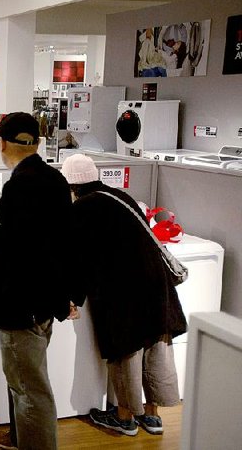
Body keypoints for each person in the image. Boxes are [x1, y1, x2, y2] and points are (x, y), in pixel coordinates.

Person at [61, 154, 187, 437]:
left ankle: (125, 418)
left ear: (70, 185)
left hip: (122, 289)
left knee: (126, 351)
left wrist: (72, 298)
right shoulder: (122, 197)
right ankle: (153, 417)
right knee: (157, 344)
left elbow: (80, 259)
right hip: (157, 282)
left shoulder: (82, 207)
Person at [0, 112, 74, 450]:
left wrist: (14, 308)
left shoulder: (20, 187)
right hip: (43, 304)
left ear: (3, 143)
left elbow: (21, 254)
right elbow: (65, 244)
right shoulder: (54, 179)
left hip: (21, 308)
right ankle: (19, 438)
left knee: (30, 390)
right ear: (37, 143)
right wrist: (64, 297)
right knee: (26, 384)